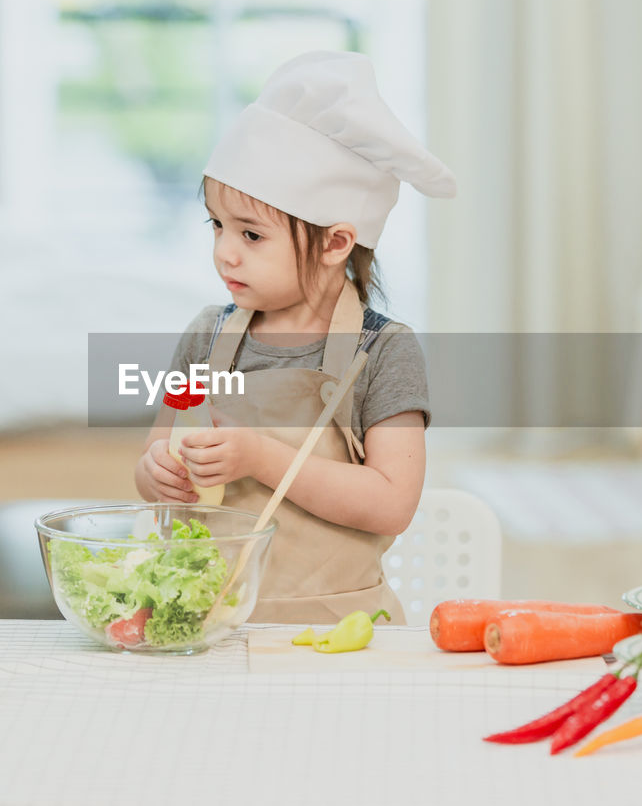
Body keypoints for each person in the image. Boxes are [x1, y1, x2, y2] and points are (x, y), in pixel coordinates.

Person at [133, 50, 456, 623]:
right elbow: (156, 463)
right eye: (217, 225)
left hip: (339, 634)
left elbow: (391, 503)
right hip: (206, 625)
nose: (224, 252)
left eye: (252, 235)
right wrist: (157, 472)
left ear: (335, 244)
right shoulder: (204, 338)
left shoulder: (383, 352)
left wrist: (259, 456)